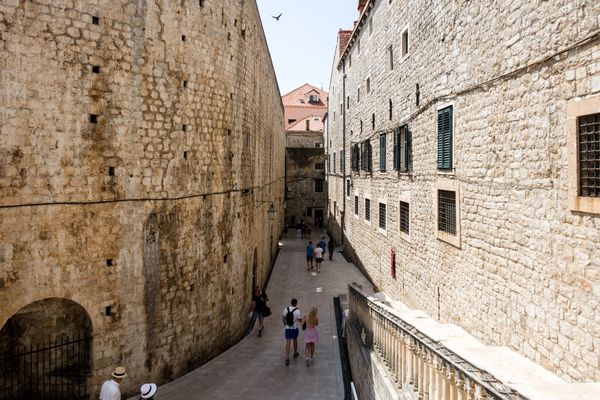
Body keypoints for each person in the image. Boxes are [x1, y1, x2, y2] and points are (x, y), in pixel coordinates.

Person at [282, 298, 302, 365]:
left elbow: (283, 318)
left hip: (287, 327)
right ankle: (295, 353)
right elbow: (300, 320)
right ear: (296, 303)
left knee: (288, 342)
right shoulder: (297, 311)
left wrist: (285, 325)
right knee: (295, 340)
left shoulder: (286, 309)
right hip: (294, 328)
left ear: (291, 303)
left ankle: (287, 358)